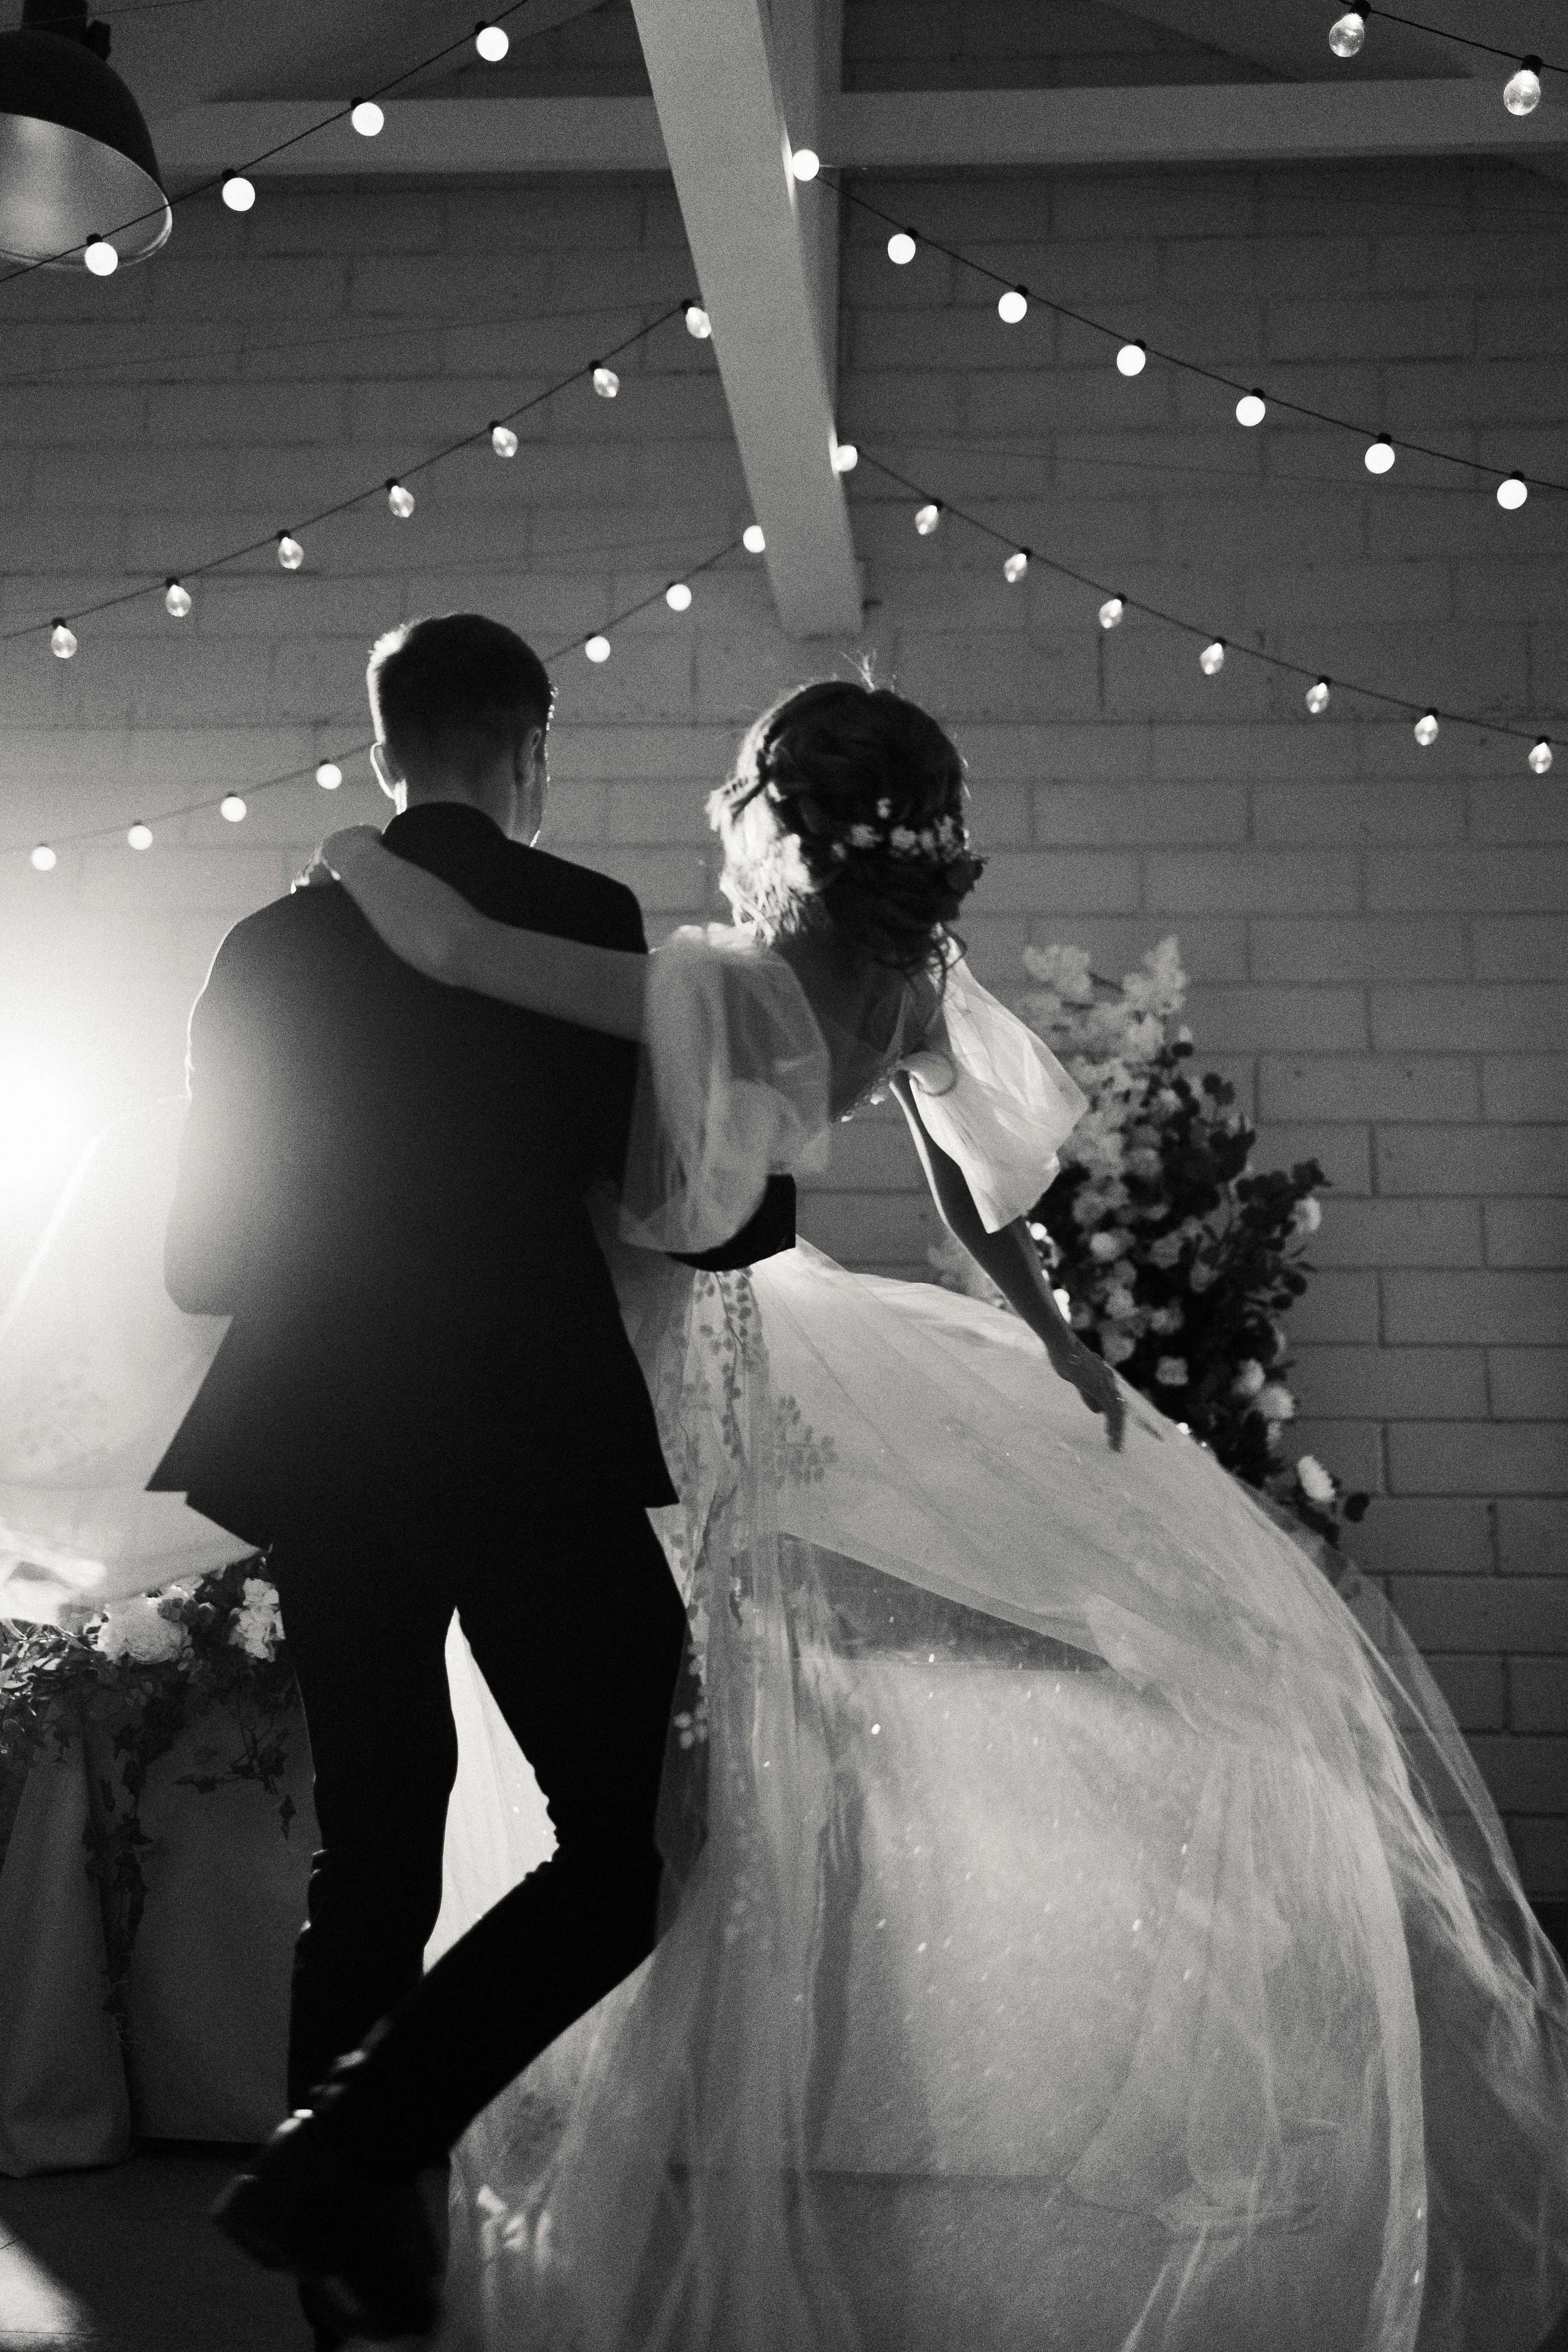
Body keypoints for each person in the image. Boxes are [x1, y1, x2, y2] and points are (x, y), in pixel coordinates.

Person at [235, 677, 1568, 2352]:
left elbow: (449, 949)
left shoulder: (719, 986)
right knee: (691, 1765)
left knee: (638, 1790)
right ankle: (641, 2126)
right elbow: (965, 1172)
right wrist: (1056, 1334)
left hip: (627, 1352)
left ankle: (448, 2147)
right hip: (752, 1341)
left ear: (776, 826)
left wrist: (352, 845)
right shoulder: (905, 984)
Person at [151, 612, 792, 2345]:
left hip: (327, 1436)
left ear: (381, 751)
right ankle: (349, 2150)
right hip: (525, 1424)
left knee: (374, 1846)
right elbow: (680, 1197)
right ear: (529, 750)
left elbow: (200, 1262)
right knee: (636, 1835)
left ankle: (347, 2265)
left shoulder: (265, 944)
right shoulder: (581, 922)